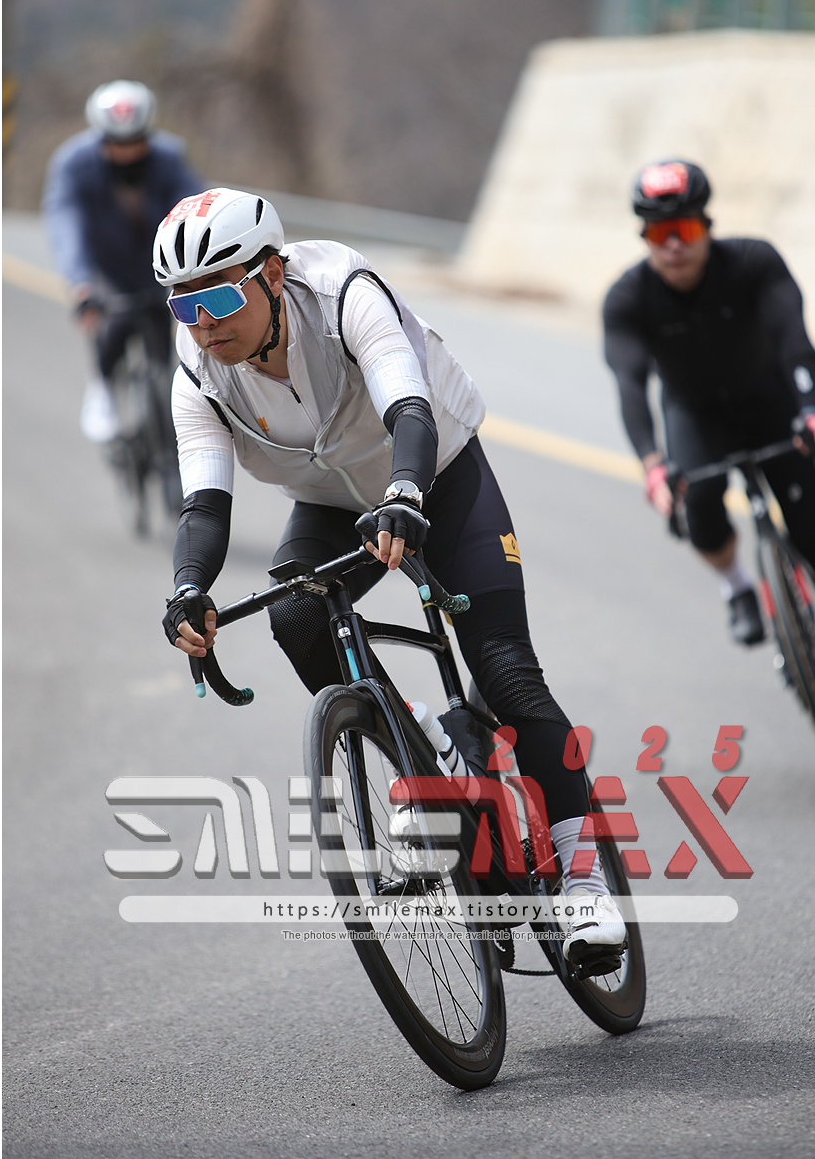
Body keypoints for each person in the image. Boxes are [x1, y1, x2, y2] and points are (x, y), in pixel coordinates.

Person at [154, 187, 624, 962]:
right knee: (296, 616)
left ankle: (583, 886)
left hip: (436, 472)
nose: (202, 321)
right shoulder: (197, 371)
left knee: (506, 674)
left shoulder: (343, 291)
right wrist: (187, 588)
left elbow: (410, 407)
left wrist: (406, 494)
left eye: (219, 296)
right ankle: (427, 759)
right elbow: (204, 504)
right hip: (333, 502)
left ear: (273, 273)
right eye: (183, 304)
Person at [603, 159, 815, 660]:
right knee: (700, 511)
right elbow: (630, 385)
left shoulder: (753, 262)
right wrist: (653, 465)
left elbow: (795, 342)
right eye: (660, 234)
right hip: (696, 415)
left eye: (685, 229)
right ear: (645, 238)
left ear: (707, 225)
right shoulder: (627, 298)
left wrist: (814, 411)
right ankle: (737, 585)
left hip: (772, 402)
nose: (674, 245)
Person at [41, 79, 204, 453]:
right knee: (114, 323)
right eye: (117, 144)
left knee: (165, 340)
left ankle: (168, 416)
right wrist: (80, 282)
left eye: (136, 142)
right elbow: (65, 223)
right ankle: (102, 387)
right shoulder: (73, 164)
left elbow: (192, 210)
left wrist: (197, 268)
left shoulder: (171, 157)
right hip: (105, 266)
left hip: (158, 264)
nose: (127, 154)